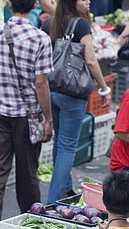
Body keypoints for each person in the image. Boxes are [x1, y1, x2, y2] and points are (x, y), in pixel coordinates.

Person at [0, 0, 53, 225]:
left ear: (9, 4)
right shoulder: (40, 38)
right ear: (36, 5)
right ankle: (31, 225)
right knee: (28, 174)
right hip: (28, 118)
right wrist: (48, 119)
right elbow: (41, 84)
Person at [41, 0, 111, 204]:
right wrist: (103, 86)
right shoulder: (81, 25)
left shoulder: (49, 24)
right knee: (67, 146)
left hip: (52, 90)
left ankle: (64, 190)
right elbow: (90, 60)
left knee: (60, 143)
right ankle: (52, 203)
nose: (87, 1)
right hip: (73, 93)